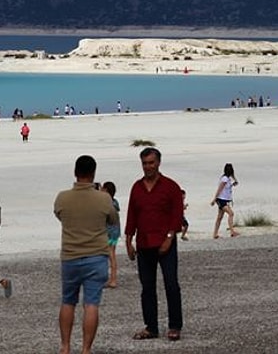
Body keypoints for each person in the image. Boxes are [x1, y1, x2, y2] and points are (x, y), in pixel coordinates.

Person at [54, 155, 119, 354]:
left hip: (71, 255)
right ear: (93, 173)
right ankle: (86, 349)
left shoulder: (62, 197)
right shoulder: (103, 198)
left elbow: (59, 214)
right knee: (91, 304)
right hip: (96, 256)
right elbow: (113, 219)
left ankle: (65, 346)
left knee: (68, 302)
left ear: (75, 172)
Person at [126, 147, 185, 341]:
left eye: (151, 162)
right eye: (144, 163)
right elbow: (132, 215)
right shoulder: (137, 187)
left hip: (165, 244)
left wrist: (169, 237)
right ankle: (151, 327)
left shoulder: (170, 186)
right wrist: (128, 240)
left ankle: (175, 326)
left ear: (158, 163)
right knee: (147, 287)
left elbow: (177, 215)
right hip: (144, 244)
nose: (148, 167)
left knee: (171, 285)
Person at [210, 163, 240, 239]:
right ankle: (232, 232)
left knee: (220, 217)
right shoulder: (225, 179)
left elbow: (227, 188)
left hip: (224, 200)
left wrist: (233, 182)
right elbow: (219, 189)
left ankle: (215, 234)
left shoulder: (227, 178)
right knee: (231, 213)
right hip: (221, 200)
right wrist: (214, 199)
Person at [102, 181, 122, 289]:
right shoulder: (115, 202)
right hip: (115, 232)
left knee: (110, 255)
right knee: (111, 254)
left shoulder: (107, 203)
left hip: (109, 232)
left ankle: (113, 280)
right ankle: (112, 279)